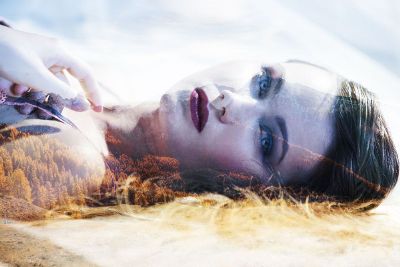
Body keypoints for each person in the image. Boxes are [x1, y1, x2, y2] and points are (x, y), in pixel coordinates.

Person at [0, 26, 398, 211]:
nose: (232, 102)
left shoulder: (65, 164)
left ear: (255, 195)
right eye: (262, 83)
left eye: (265, 140)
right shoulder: (95, 95)